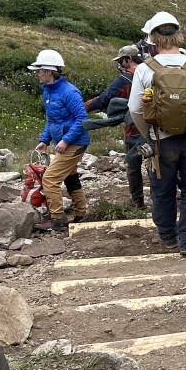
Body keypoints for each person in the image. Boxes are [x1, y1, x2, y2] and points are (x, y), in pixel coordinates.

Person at [129, 13, 186, 257]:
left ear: (152, 38)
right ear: (178, 35)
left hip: (160, 141)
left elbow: (135, 109)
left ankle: (168, 236)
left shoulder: (145, 69)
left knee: (163, 189)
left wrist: (148, 133)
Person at [28, 49, 89, 234]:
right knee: (70, 177)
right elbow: (52, 120)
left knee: (50, 179)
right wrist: (45, 140)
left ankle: (57, 220)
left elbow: (82, 118)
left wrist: (65, 140)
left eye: (39, 70)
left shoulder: (69, 92)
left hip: (75, 143)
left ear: (49, 71)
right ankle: (81, 214)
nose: (37, 74)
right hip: (65, 142)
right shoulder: (48, 92)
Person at [85, 44, 148, 209]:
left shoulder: (124, 80)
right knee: (156, 166)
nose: (120, 64)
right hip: (153, 128)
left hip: (133, 129)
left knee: (133, 166)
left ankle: (137, 202)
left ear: (128, 59)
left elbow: (104, 99)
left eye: (121, 61)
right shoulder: (152, 74)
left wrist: (82, 108)